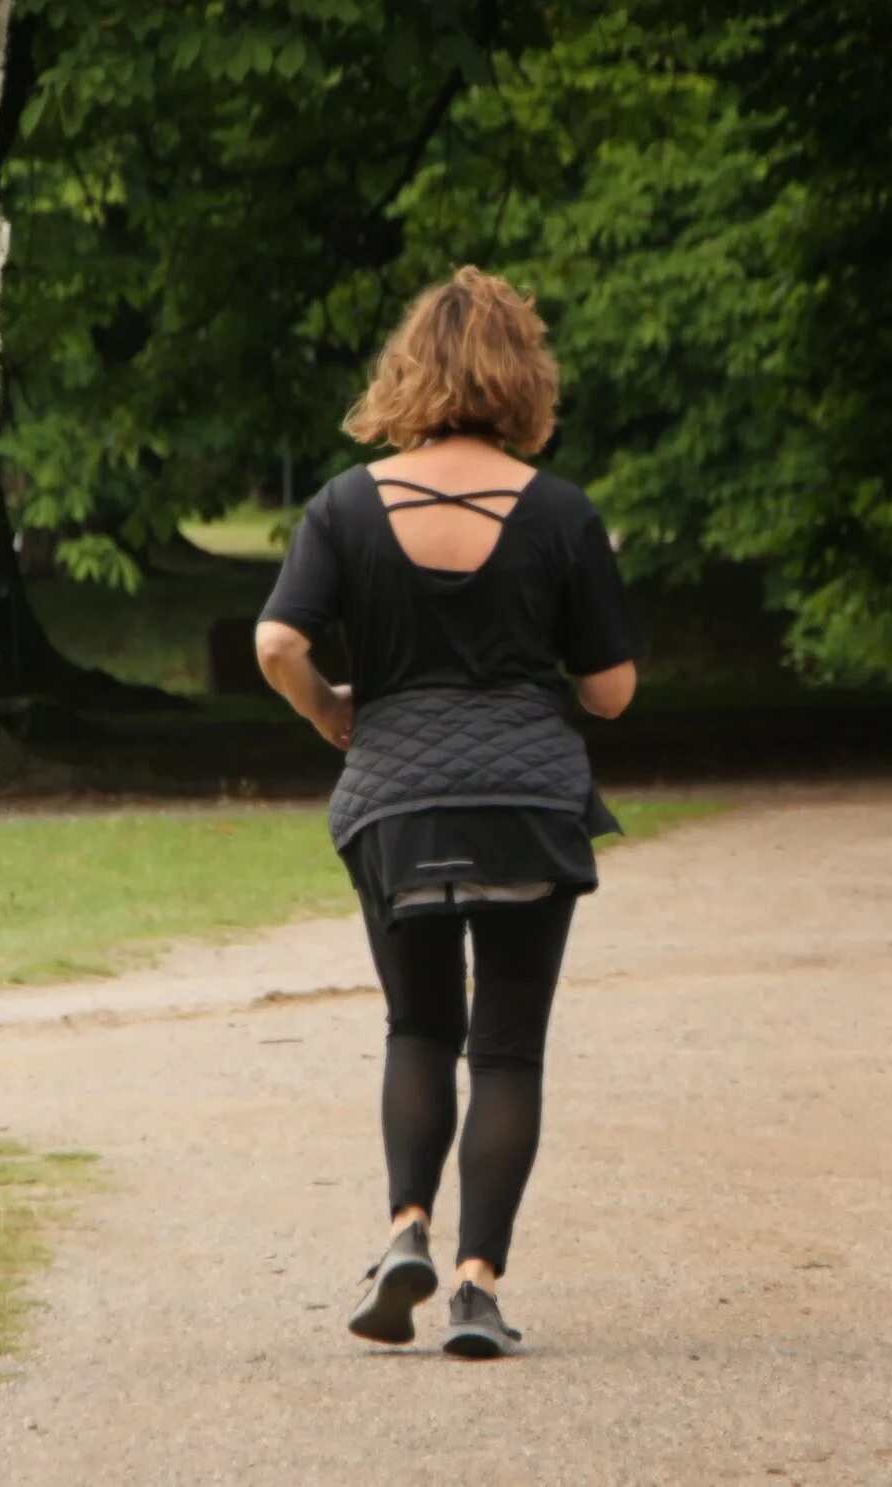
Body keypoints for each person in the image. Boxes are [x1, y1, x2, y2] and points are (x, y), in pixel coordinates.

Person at [252, 266, 640, 1359]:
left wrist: (329, 702)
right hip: (526, 796)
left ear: (404, 371)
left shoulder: (341, 503)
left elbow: (276, 642)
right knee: (506, 1049)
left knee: (419, 1023)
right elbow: (609, 692)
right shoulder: (560, 513)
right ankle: (476, 1283)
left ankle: (404, 1230)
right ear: (522, 378)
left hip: (396, 799)